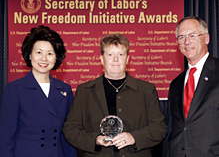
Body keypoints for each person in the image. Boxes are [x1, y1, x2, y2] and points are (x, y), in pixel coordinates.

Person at [63, 33, 167, 157]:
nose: (115, 60)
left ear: (128, 59)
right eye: (110, 54)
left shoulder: (146, 90)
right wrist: (95, 140)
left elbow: (159, 128)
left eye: (120, 54)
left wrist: (133, 138)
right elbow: (71, 130)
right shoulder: (84, 91)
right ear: (102, 59)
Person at [0, 25, 77, 157]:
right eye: (39, 52)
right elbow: (6, 138)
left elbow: (67, 135)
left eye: (50, 53)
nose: (44, 59)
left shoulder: (65, 90)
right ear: (30, 55)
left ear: (56, 58)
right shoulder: (15, 89)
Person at [168, 16, 219, 157]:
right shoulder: (175, 84)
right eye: (182, 37)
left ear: (207, 38)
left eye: (193, 35)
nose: (187, 42)